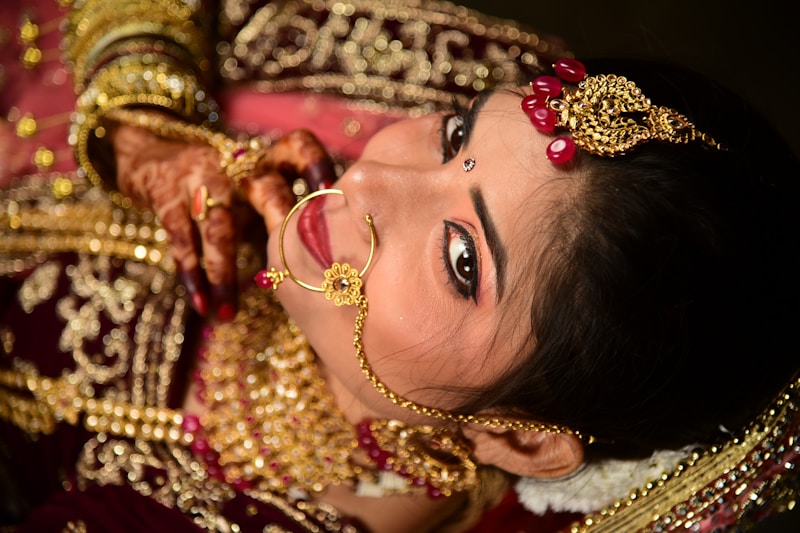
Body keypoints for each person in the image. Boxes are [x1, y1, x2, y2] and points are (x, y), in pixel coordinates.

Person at [1, 0, 798, 532]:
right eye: (456, 137)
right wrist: (143, 106)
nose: (371, 177)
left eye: (461, 258)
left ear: (519, 442)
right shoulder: (434, 67)